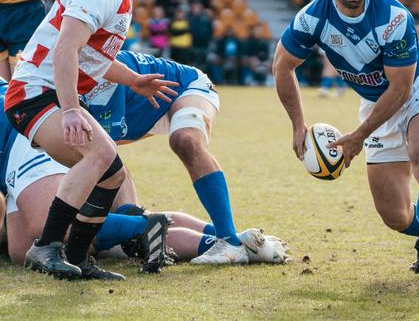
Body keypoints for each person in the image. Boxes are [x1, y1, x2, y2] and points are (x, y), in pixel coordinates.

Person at [3, 0, 176, 280]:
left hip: (47, 92)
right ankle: (46, 247)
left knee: (111, 175)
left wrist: (132, 79)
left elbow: (89, 56)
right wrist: (70, 111)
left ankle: (78, 257)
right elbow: (65, 48)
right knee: (100, 153)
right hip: (34, 93)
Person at [274, 0, 419, 279]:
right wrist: (298, 126)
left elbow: (401, 88)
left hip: (418, 91)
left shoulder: (393, 17)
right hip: (375, 105)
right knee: (395, 215)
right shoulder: (312, 18)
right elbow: (282, 66)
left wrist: (360, 135)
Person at [0, 76, 291, 269]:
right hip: (49, 128)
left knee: (47, 227)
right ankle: (229, 239)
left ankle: (146, 231)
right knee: (23, 248)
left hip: (29, 134)